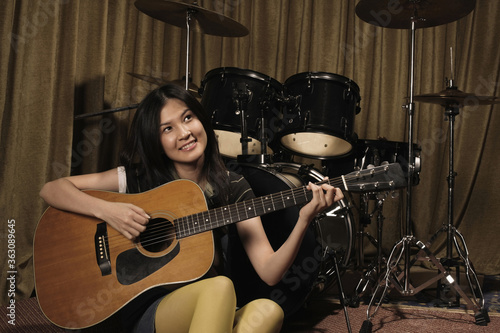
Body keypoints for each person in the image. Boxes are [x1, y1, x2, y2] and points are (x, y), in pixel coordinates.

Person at [40, 84, 344, 332]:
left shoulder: (232, 186)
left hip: (204, 308)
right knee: (221, 287)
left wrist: (305, 218)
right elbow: (52, 189)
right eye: (167, 128)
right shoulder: (136, 178)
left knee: (268, 310)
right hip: (141, 309)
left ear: (202, 121)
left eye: (188, 118)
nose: (184, 133)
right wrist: (107, 211)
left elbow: (269, 272)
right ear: (156, 141)